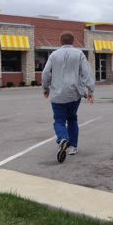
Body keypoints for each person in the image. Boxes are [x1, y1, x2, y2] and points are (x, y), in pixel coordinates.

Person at [42, 32, 95, 163]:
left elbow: (45, 72)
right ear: (73, 41)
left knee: (59, 120)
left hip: (57, 95)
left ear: (61, 41)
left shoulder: (54, 55)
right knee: (72, 119)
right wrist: (90, 90)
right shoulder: (79, 54)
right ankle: (72, 146)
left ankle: (62, 139)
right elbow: (86, 72)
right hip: (74, 94)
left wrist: (45, 88)